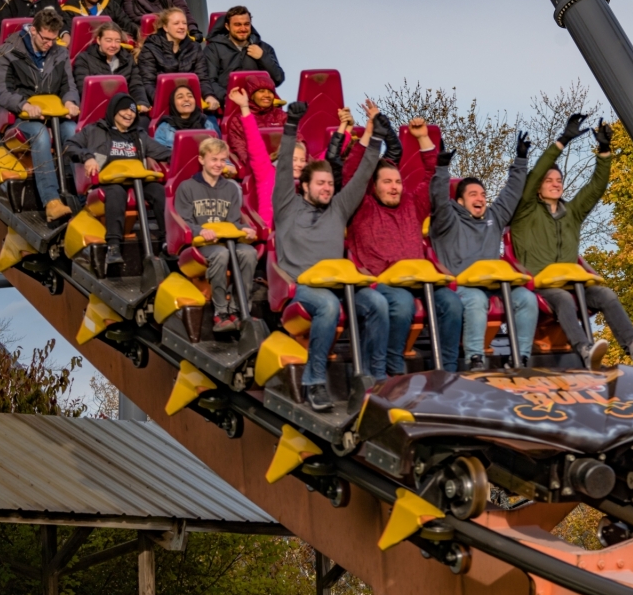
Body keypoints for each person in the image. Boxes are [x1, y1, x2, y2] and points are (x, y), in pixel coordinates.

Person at [510, 114, 633, 369]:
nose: (555, 184)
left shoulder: (571, 212)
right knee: (562, 298)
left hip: (574, 283)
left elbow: (596, 187)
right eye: (548, 181)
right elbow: (537, 170)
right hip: (540, 285)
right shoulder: (525, 210)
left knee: (605, 294)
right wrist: (563, 140)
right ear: (537, 187)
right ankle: (584, 349)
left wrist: (604, 151)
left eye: (558, 181)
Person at [273, 100, 385, 412]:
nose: (327, 188)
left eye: (331, 184)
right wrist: (291, 126)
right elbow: (283, 165)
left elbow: (363, 176)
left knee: (377, 303)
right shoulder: (287, 205)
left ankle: (376, 378)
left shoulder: (338, 207)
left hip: (341, 283)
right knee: (327, 305)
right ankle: (314, 380)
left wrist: (376, 138)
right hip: (301, 286)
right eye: (321, 184)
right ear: (304, 185)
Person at [344, 116, 463, 374]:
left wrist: (422, 138)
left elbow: (432, 175)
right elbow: (353, 173)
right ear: (373, 186)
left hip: (420, 280)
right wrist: (372, 136)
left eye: (397, 181)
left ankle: (449, 370)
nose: (394, 187)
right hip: (381, 280)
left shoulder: (412, 203)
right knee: (401, 303)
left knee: (452, 303)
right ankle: (393, 365)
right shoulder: (361, 206)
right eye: (387, 182)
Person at [429, 134, 538, 370]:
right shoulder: (447, 219)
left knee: (527, 299)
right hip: (460, 287)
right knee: (476, 300)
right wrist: (442, 168)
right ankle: (475, 359)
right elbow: (438, 198)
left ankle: (522, 358)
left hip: (494, 285)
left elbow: (511, 194)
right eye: (473, 195)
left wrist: (520, 160)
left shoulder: (493, 217)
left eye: (482, 194)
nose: (480, 199)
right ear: (459, 201)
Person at [0, 7, 80, 222]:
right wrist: (23, 105)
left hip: (54, 115)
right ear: (33, 30)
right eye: (46, 39)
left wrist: (70, 100)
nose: (50, 44)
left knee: (74, 132)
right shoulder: (7, 51)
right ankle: (51, 201)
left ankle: (83, 194)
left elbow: (69, 84)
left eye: (53, 39)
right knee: (40, 135)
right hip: (21, 118)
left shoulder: (60, 52)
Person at [64, 92, 171, 266]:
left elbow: (163, 152)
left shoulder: (139, 135)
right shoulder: (94, 130)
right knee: (116, 193)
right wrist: (87, 156)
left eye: (133, 111)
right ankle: (113, 246)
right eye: (125, 110)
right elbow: (69, 145)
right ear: (114, 110)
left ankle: (168, 242)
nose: (129, 114)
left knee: (159, 191)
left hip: (137, 179)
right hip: (110, 180)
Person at [174, 137, 258, 333]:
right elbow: (184, 221)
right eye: (214, 159)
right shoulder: (187, 187)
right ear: (202, 160)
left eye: (223, 160)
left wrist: (243, 229)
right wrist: (200, 230)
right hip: (202, 243)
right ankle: (220, 312)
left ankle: (238, 310)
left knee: (249, 253)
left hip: (227, 240)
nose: (219, 164)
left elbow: (233, 221)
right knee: (221, 255)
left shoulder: (230, 188)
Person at [226, 87, 301, 227]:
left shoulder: (307, 179)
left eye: (301, 160)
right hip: (272, 233)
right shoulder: (267, 173)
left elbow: (327, 160)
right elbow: (254, 141)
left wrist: (345, 131)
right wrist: (244, 106)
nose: (299, 163)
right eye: (295, 159)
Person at [137, 8, 217, 112]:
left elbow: (202, 79)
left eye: (184, 23)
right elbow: (148, 83)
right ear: (165, 27)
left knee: (211, 124)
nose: (182, 27)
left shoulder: (195, 48)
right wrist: (167, 102)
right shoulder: (150, 48)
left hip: (191, 104)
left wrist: (209, 96)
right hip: (164, 106)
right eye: (176, 23)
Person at [203, 6, 284, 102]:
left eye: (246, 24)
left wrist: (263, 57)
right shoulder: (213, 49)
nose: (243, 28)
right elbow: (209, 81)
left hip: (259, 106)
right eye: (237, 24)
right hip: (226, 105)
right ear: (227, 26)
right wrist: (229, 98)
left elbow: (278, 79)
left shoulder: (264, 48)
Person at [72, 22, 149, 114]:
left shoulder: (128, 59)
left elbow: (136, 85)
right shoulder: (84, 59)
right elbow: (83, 89)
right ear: (98, 40)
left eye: (117, 41)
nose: (113, 45)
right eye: (108, 40)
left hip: (124, 109)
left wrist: (141, 102)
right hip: (97, 110)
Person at [223, 74, 285, 169]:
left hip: (284, 162)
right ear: (251, 95)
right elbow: (239, 148)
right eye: (261, 91)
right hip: (257, 166)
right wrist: (261, 161)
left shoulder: (282, 116)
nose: (267, 95)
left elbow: (298, 140)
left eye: (270, 92)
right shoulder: (239, 119)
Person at [153, 85, 220, 148]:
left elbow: (218, 152)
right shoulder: (164, 128)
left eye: (190, 96)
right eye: (180, 97)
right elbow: (160, 156)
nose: (186, 99)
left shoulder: (206, 124)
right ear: (173, 104)